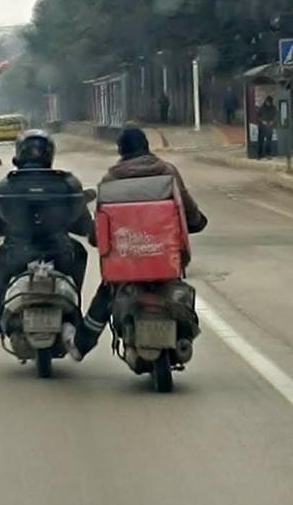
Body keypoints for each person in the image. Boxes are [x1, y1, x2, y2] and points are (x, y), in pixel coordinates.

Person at [68, 127, 208, 361]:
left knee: (106, 295)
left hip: (127, 263)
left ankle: (80, 346)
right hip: (164, 259)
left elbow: (101, 224)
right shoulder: (167, 171)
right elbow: (187, 209)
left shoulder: (111, 178)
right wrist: (197, 222)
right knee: (180, 292)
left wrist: (96, 238)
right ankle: (183, 337)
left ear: (120, 150)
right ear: (146, 146)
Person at [0, 130, 93, 346]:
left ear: (19, 154)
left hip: (17, 254)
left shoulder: (6, 185)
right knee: (79, 252)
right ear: (49, 154)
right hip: (60, 253)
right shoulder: (65, 183)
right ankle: (73, 309)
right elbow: (83, 225)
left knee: (1, 261)